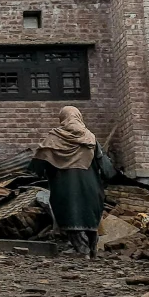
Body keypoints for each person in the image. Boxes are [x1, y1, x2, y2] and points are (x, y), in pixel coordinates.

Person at [31, 105, 108, 257]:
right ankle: (92, 250)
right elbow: (106, 166)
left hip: (65, 189)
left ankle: (82, 250)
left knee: (70, 215)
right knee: (90, 216)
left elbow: (37, 165)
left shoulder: (52, 139)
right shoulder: (91, 138)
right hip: (90, 188)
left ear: (62, 119)